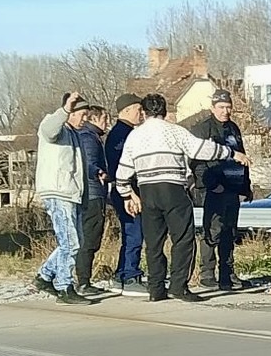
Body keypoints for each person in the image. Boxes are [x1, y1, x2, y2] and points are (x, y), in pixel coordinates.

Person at [114, 92, 247, 303]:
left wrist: (126, 195)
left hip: (147, 191)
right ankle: (178, 286)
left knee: (154, 242)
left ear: (145, 112)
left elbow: (122, 172)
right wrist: (231, 153)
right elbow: (201, 149)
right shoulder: (174, 131)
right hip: (173, 189)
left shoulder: (135, 136)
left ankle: (156, 289)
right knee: (183, 239)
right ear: (164, 111)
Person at [34, 91, 98, 306]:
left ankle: (44, 276)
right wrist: (65, 109)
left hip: (72, 195)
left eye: (87, 115)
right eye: (82, 114)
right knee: (70, 243)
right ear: (69, 113)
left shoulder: (76, 135)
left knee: (73, 242)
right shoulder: (55, 127)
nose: (85, 119)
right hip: (58, 192)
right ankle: (64, 286)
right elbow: (49, 131)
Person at [188, 89, 253, 291]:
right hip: (213, 189)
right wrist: (210, 184)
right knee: (212, 231)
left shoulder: (233, 128)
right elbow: (196, 162)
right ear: (213, 108)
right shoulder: (202, 129)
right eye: (221, 107)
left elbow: (242, 157)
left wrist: (246, 185)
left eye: (228, 107)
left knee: (229, 232)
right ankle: (207, 274)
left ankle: (227, 274)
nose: (225, 111)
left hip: (233, 188)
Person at [104, 93, 148, 296]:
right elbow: (118, 168)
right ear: (127, 110)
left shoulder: (126, 132)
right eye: (138, 109)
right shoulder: (122, 135)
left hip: (127, 191)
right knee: (134, 234)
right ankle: (131, 275)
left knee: (131, 235)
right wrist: (129, 193)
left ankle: (121, 274)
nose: (142, 113)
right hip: (127, 192)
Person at [71, 105, 110, 297]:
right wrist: (99, 172)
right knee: (89, 239)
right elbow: (87, 163)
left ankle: (82, 279)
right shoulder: (88, 138)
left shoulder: (89, 136)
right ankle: (83, 281)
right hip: (92, 194)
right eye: (104, 119)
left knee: (88, 238)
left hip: (93, 193)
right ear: (94, 119)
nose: (106, 123)